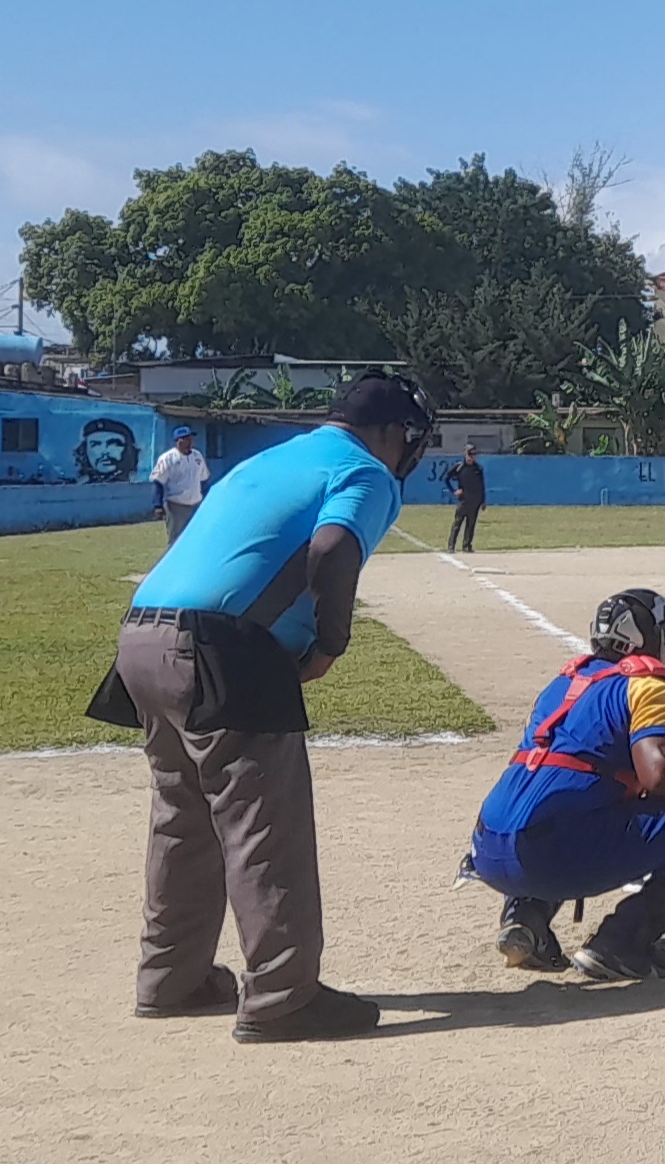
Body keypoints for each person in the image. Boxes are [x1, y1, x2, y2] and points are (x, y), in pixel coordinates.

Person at [84, 369, 438, 1043]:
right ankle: (282, 993)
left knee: (182, 817)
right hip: (222, 647)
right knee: (260, 824)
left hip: (142, 637)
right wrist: (331, 642)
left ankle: (172, 976)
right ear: (394, 433)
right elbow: (332, 547)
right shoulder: (365, 473)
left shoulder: (271, 458)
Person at [469, 589, 665, 981]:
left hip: (488, 845)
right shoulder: (647, 684)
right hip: (549, 852)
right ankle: (621, 943)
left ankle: (526, 916)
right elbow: (661, 774)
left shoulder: (567, 682)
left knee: (566, 801)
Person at [149, 426, 210, 546]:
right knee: (176, 540)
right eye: (186, 439)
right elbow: (158, 481)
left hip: (196, 504)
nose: (190, 441)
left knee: (197, 537)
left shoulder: (197, 456)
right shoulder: (167, 458)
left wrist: (206, 500)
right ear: (179, 441)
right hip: (176, 506)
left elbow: (204, 479)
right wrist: (158, 505)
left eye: (191, 438)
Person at [443, 444, 486, 553]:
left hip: (475, 500)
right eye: (469, 454)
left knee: (471, 525)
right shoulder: (459, 467)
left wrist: (483, 500)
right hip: (463, 500)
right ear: (465, 454)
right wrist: (454, 491)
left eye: (473, 455)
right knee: (457, 523)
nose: (471, 457)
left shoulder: (478, 468)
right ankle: (451, 546)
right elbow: (446, 479)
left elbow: (482, 485)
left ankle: (467, 546)